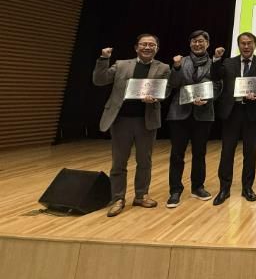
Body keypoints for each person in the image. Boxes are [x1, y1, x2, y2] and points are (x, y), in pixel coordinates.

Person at [92, 33, 170, 217]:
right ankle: (117, 198)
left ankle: (141, 195)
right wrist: (103, 59)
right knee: (119, 162)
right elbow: (99, 80)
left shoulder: (163, 68)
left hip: (146, 120)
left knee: (144, 161)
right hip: (121, 120)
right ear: (136, 47)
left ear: (157, 48)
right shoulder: (121, 65)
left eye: (151, 45)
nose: (147, 47)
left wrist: (156, 97)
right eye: (144, 44)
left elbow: (166, 90)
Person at [210, 32, 256, 204]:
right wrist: (216, 59)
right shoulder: (228, 62)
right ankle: (224, 189)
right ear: (238, 46)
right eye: (243, 43)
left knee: (250, 152)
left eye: (249, 43)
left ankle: (247, 188)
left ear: (255, 45)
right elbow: (215, 76)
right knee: (227, 151)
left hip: (252, 112)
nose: (246, 46)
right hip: (232, 112)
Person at [165, 30, 221, 208]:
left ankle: (198, 187)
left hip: (203, 114)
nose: (198, 44)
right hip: (179, 113)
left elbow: (218, 86)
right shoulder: (180, 61)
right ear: (190, 44)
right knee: (177, 154)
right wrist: (176, 67)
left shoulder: (214, 63)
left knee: (200, 153)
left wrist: (207, 99)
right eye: (194, 41)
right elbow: (173, 84)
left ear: (207, 44)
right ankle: (175, 190)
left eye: (201, 41)